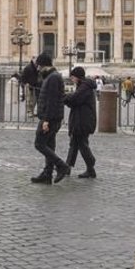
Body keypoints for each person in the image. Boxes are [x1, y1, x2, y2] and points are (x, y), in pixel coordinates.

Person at [29, 53, 70, 184]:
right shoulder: (52, 76)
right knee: (49, 146)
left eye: (39, 66)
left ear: (43, 65)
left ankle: (62, 166)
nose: (38, 69)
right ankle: (47, 174)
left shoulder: (52, 78)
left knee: (39, 144)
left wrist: (46, 120)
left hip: (50, 117)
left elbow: (52, 100)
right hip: (54, 116)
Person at [62, 66, 97, 178]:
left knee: (81, 144)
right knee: (75, 144)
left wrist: (63, 97)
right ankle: (67, 168)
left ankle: (90, 164)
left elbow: (74, 99)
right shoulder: (83, 86)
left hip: (83, 120)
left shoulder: (84, 87)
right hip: (81, 119)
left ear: (77, 77)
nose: (71, 79)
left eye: (72, 77)